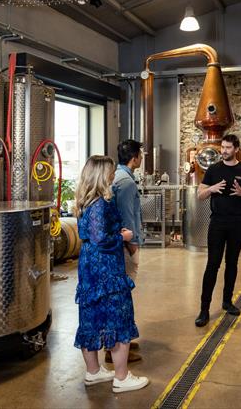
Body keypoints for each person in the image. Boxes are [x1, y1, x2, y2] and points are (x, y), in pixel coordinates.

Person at [73, 155, 148, 393]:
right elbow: (101, 239)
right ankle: (122, 377)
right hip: (105, 266)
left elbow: (95, 235)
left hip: (89, 266)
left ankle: (94, 372)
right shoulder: (100, 204)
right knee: (118, 316)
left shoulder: (86, 201)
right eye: (110, 172)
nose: (113, 175)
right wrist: (123, 237)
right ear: (101, 175)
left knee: (92, 316)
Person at [195, 134, 241, 327]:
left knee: (232, 263)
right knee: (212, 265)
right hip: (217, 223)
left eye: (228, 148)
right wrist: (212, 189)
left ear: (236, 149)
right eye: (222, 147)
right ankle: (204, 309)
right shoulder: (213, 170)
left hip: (238, 222)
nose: (224, 151)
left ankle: (227, 301)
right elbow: (200, 195)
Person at [110, 139, 144, 363]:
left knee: (121, 296)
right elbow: (126, 218)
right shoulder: (126, 182)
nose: (141, 158)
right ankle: (116, 350)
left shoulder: (119, 177)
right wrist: (132, 247)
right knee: (121, 297)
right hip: (124, 246)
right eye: (140, 155)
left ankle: (123, 341)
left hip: (119, 245)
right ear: (134, 158)